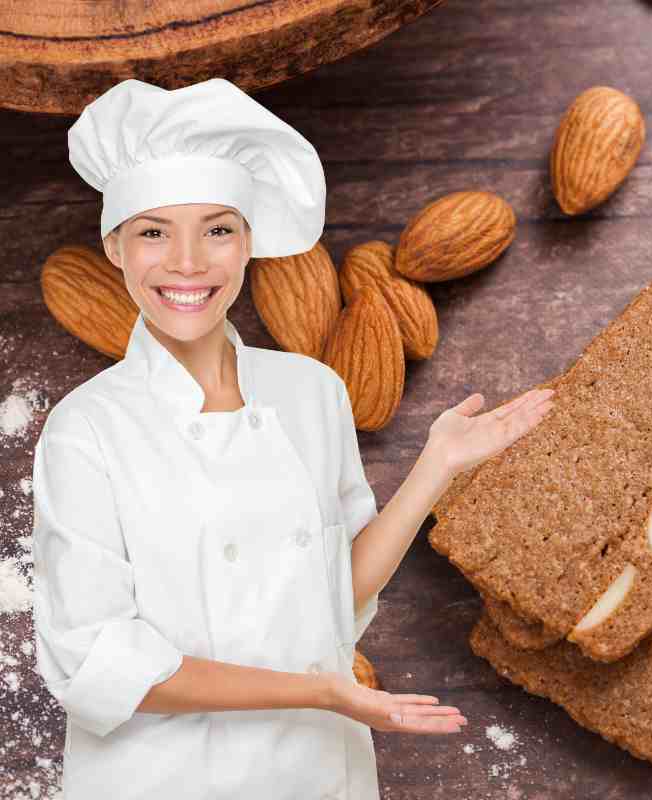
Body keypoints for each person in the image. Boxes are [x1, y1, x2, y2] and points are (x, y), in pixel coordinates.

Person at [32, 77, 554, 799]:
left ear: (249, 243)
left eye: (217, 230)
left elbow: (332, 598)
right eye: (154, 232)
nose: (187, 262)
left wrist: (438, 464)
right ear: (115, 247)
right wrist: (319, 694)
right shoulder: (86, 428)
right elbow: (95, 663)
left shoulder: (312, 391)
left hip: (317, 776)